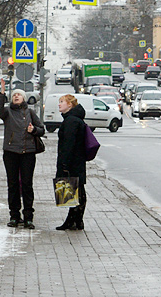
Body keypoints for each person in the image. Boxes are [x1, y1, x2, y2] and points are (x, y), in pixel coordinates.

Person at [0, 76, 45, 229]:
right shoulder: (7, 112)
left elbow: (42, 129)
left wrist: (33, 130)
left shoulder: (29, 112)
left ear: (23, 98)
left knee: (27, 184)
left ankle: (28, 216)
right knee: (13, 184)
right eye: (14, 95)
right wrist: (2, 92)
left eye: (19, 94)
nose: (16, 96)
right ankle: (14, 216)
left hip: (27, 152)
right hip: (10, 152)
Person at [55, 93, 88, 231]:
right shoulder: (74, 119)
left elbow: (68, 144)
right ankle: (75, 220)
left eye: (62, 102)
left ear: (70, 105)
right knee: (77, 190)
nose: (59, 104)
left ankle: (74, 221)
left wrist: (64, 165)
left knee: (75, 191)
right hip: (77, 162)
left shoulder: (71, 121)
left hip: (72, 163)